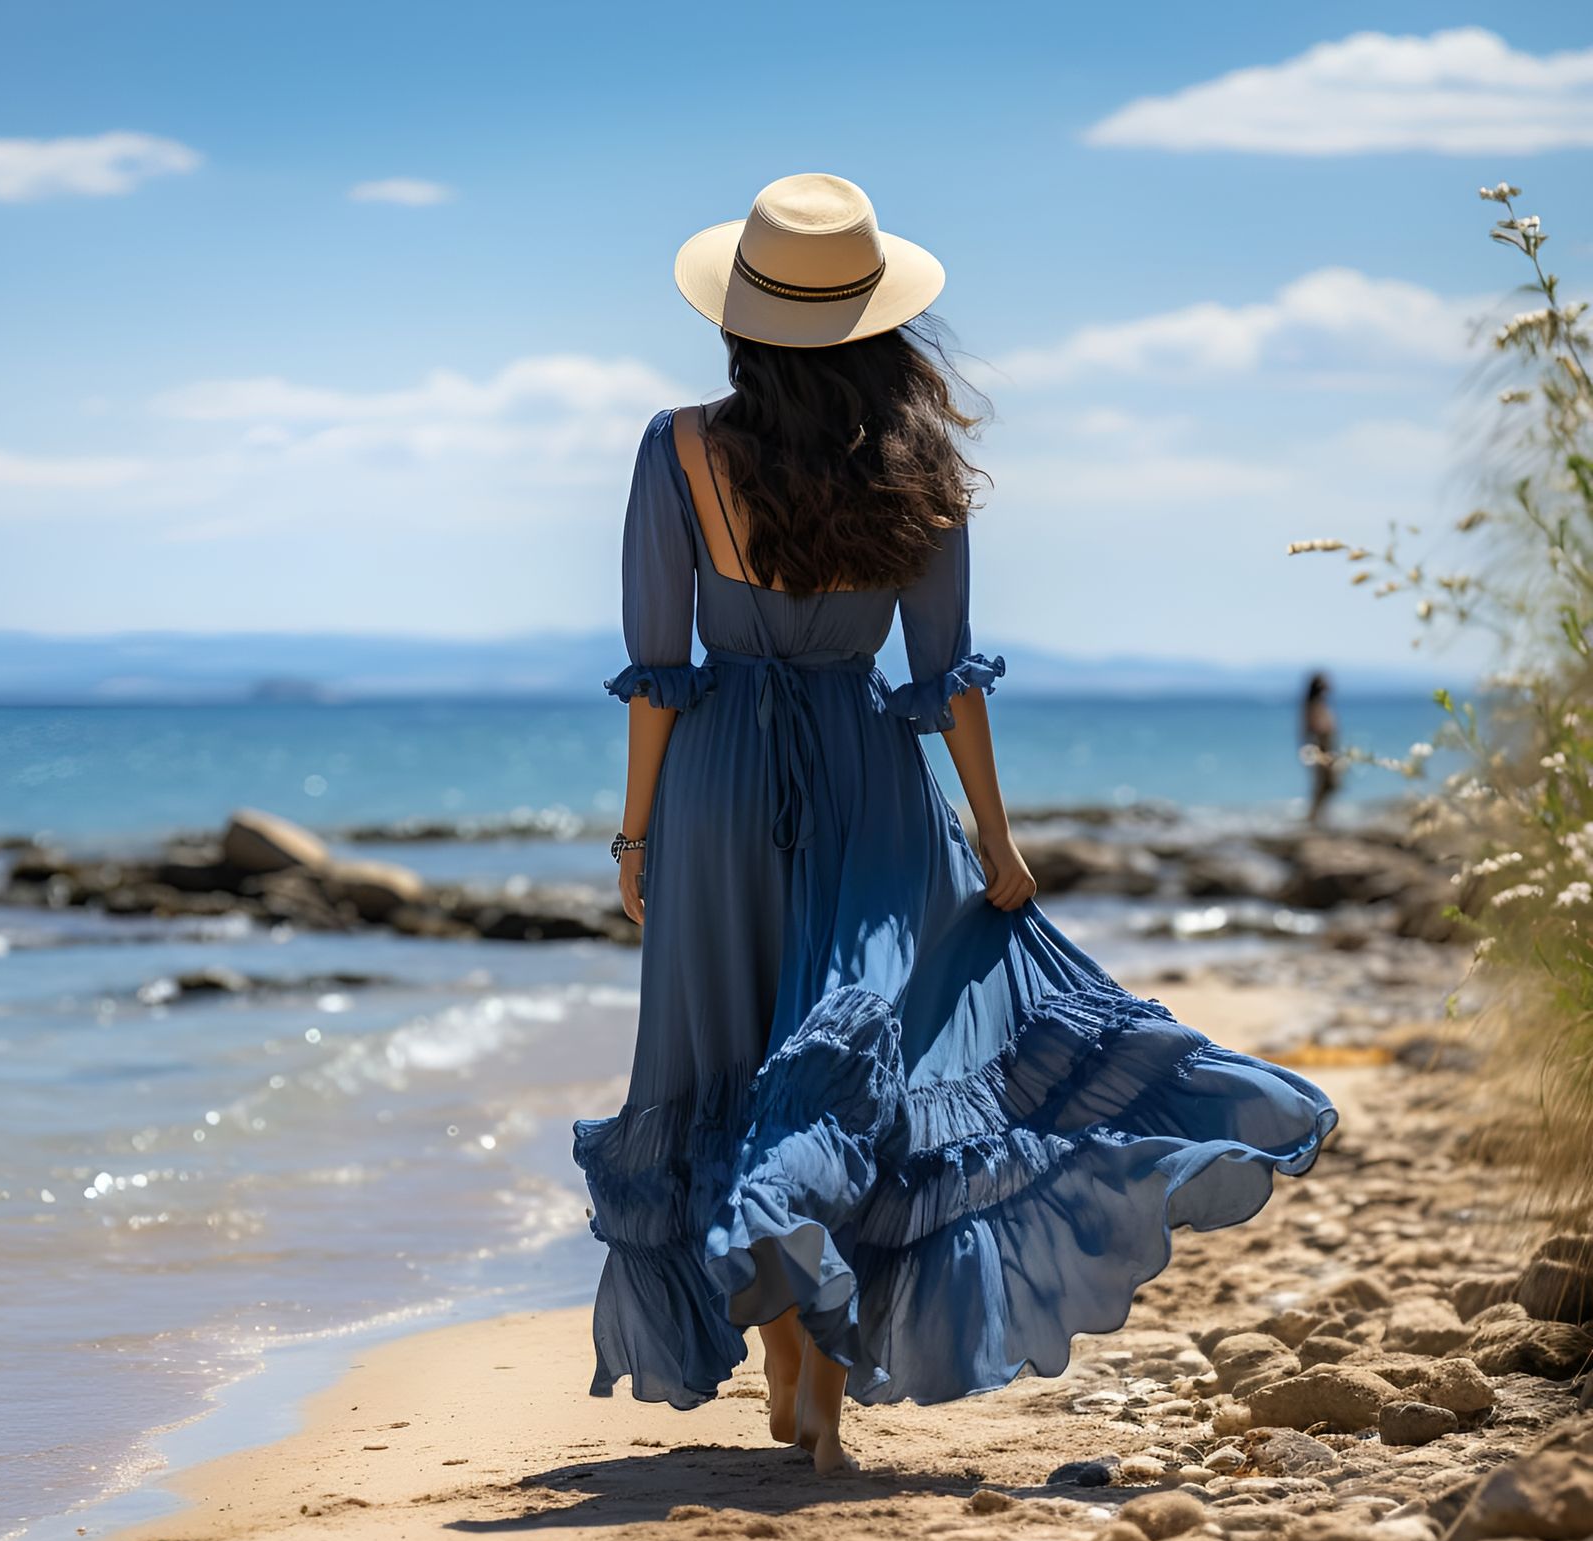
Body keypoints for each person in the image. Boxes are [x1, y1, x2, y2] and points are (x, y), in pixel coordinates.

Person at [573, 173, 1338, 1475]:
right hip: (872, 779)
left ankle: (791, 1357)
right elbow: (944, 680)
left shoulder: (678, 448)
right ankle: (821, 1367)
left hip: (715, 791)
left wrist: (636, 838)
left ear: (741, 321)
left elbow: (660, 670)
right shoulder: (916, 464)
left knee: (728, 1061)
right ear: (875, 324)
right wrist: (996, 843)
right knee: (849, 1057)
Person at [1302, 671, 1341, 824]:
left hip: (1325, 746)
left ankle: (1316, 817)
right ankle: (1314, 818)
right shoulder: (1314, 705)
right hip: (1321, 748)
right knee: (1325, 784)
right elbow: (1318, 727)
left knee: (1328, 784)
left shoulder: (1319, 703)